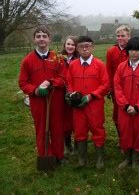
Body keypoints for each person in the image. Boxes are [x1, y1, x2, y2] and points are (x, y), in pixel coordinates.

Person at [19, 26, 65, 169]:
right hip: (38, 101)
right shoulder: (28, 60)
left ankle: (59, 156)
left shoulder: (57, 57)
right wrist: (35, 90)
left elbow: (64, 78)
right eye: (38, 36)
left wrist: (51, 82)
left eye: (44, 36)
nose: (41, 39)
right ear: (34, 39)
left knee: (57, 128)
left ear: (49, 39)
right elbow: (22, 82)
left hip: (55, 99)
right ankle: (45, 157)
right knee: (41, 130)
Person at [66, 36, 109, 169]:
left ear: (92, 47)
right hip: (78, 106)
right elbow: (69, 82)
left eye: (87, 45)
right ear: (77, 48)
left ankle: (100, 159)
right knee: (79, 131)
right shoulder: (73, 65)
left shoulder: (99, 64)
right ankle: (81, 159)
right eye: (81, 46)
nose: (84, 48)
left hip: (94, 105)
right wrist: (72, 94)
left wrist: (91, 96)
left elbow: (105, 85)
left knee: (97, 130)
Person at [114, 37, 139, 169]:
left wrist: (138, 107)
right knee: (125, 132)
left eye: (137, 50)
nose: (134, 53)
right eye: (131, 49)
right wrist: (125, 105)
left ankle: (136, 159)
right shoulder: (121, 67)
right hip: (124, 109)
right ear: (128, 51)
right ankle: (127, 158)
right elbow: (117, 87)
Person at [106, 25, 131, 139]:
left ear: (129, 36)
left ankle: (132, 137)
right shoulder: (111, 51)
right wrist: (110, 88)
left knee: (131, 111)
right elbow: (109, 71)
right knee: (117, 113)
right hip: (117, 89)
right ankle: (121, 138)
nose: (120, 38)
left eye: (123, 36)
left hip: (131, 87)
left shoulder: (133, 50)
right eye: (118, 36)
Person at [61, 36, 79, 155]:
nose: (70, 47)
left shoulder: (78, 59)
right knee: (65, 121)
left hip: (75, 92)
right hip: (62, 93)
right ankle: (67, 144)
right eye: (68, 44)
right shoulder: (58, 58)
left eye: (73, 45)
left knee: (77, 120)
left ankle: (78, 145)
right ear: (64, 45)